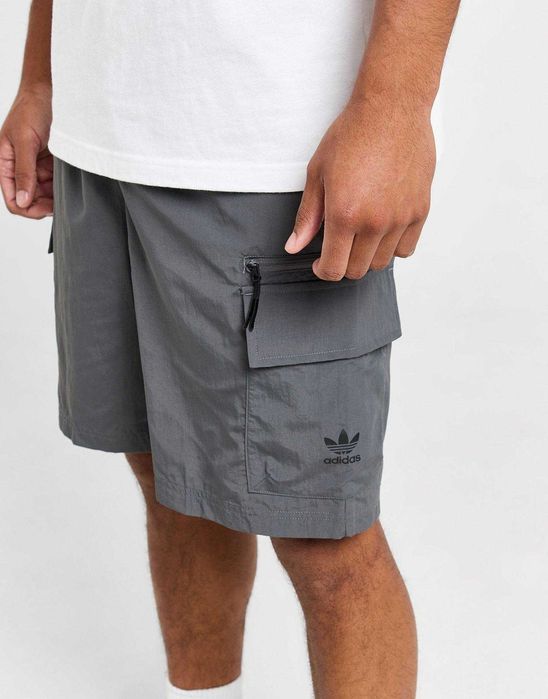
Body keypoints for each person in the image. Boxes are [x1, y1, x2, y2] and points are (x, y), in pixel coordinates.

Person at [0, 1, 459, 697]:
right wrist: (41, 74)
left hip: (273, 148)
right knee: (169, 475)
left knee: (324, 536)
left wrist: (395, 108)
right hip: (99, 131)